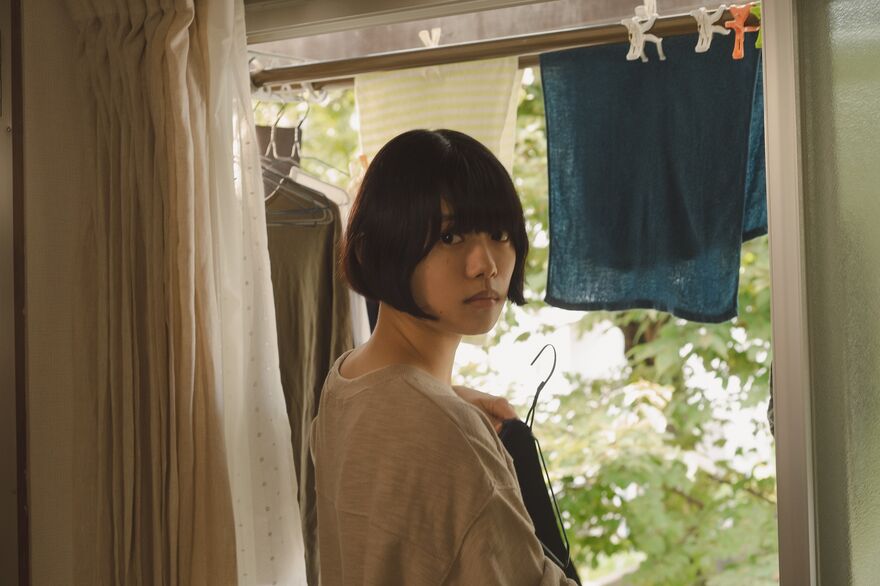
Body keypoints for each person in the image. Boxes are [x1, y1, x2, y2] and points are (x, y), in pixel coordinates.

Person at [309, 129, 578, 585]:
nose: (486, 264)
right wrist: (448, 414)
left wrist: (445, 399)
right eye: (451, 236)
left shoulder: (346, 380)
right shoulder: (450, 433)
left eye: (498, 233)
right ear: (378, 248)